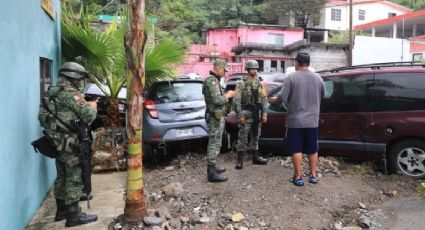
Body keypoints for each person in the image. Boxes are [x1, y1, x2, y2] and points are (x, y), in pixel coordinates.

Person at [38, 62, 98, 227]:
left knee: (62, 175)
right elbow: (88, 116)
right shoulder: (71, 94)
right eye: (80, 79)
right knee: (74, 177)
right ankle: (73, 216)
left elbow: (43, 118)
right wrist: (92, 107)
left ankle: (61, 210)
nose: (81, 82)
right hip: (71, 144)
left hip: (56, 142)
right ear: (74, 77)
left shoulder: (50, 92)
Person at [269, 53, 325, 186]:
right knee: (312, 148)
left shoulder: (291, 77)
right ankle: (313, 175)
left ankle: (298, 177)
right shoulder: (318, 78)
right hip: (312, 120)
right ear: (308, 63)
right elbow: (323, 95)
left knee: (296, 149)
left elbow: (282, 98)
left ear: (297, 62)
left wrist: (273, 100)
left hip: (295, 121)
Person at [202, 60, 237, 182]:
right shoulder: (211, 81)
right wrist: (229, 95)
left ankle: (213, 167)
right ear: (217, 68)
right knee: (214, 144)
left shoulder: (215, 80)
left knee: (217, 143)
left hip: (217, 116)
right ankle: (211, 174)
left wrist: (227, 94)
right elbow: (217, 100)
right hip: (214, 118)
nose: (225, 73)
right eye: (224, 70)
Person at [233, 60, 268, 170]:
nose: (254, 71)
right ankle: (239, 160)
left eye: (256, 69)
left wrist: (264, 114)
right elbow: (236, 100)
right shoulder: (241, 83)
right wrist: (240, 116)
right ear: (247, 70)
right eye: (252, 69)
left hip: (256, 113)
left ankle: (255, 157)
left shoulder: (261, 83)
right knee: (243, 136)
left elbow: (264, 99)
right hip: (246, 113)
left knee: (255, 136)